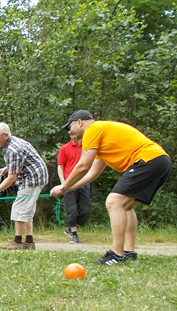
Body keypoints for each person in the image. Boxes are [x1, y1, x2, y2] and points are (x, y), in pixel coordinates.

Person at [51, 110, 172, 265]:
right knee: (125, 206)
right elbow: (93, 172)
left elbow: (83, 166)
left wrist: (63, 186)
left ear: (79, 122)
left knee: (114, 202)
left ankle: (116, 254)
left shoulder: (92, 130)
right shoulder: (101, 137)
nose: (70, 131)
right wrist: (68, 188)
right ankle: (129, 252)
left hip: (146, 160)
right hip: (159, 160)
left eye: (70, 126)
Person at [0, 123, 48, 250]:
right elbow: (21, 160)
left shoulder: (13, 148)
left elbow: (12, 178)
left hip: (33, 177)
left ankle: (17, 242)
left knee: (20, 208)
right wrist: (7, 168)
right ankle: (29, 241)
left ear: (6, 135)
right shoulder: (10, 143)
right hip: (35, 175)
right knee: (27, 209)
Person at [56, 129, 91, 244]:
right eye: (70, 134)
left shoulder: (87, 148)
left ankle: (70, 228)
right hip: (69, 182)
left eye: (74, 134)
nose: (73, 137)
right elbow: (60, 166)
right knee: (71, 210)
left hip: (84, 182)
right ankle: (74, 234)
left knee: (86, 210)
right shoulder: (64, 148)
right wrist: (63, 183)